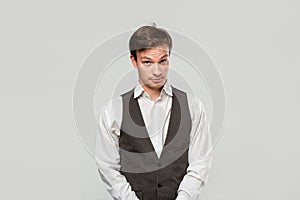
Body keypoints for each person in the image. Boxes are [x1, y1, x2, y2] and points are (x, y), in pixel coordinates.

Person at [95, 24, 213, 200]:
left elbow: (200, 164)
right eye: (147, 62)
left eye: (163, 61)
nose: (157, 71)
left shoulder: (193, 107)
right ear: (134, 61)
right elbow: (108, 168)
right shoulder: (114, 110)